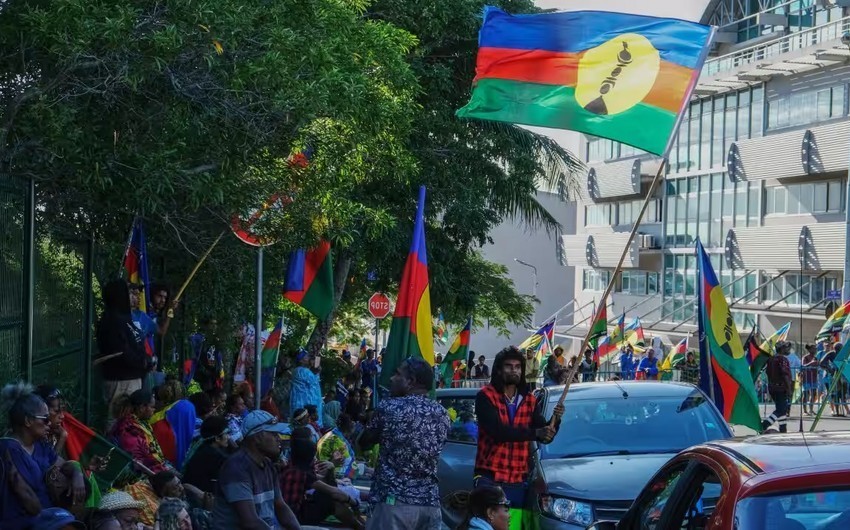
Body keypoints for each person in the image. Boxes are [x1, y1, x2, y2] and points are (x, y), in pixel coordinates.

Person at [474, 347, 563, 528]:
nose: (513, 370)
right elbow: (498, 432)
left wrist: (556, 421)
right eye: (508, 366)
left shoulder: (529, 400)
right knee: (487, 526)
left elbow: (544, 437)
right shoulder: (485, 396)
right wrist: (536, 433)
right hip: (490, 476)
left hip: (517, 478)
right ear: (499, 369)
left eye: (517, 367)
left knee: (512, 526)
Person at [360, 358, 450, 529]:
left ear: (411, 381)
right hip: (429, 504)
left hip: (394, 504)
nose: (392, 378)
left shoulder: (389, 407)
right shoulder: (442, 414)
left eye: (397, 374)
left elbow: (364, 442)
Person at [0, 383, 88, 530]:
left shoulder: (41, 445)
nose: (49, 424)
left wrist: (77, 474)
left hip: (46, 519)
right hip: (23, 523)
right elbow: (31, 504)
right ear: (28, 421)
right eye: (45, 419)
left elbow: (64, 464)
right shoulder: (8, 448)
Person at [211, 410, 300, 529]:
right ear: (257, 438)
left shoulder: (267, 465)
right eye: (273, 434)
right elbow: (250, 521)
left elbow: (281, 506)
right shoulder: (236, 468)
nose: (279, 439)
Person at [280, 438, 364, 530]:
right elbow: (333, 491)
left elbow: (325, 481)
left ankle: (358, 524)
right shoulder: (301, 473)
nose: (315, 459)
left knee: (329, 497)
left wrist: (331, 468)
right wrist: (354, 504)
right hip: (293, 517)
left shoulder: (291, 467)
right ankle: (359, 527)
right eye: (314, 456)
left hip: (293, 512)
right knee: (333, 502)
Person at [96, 279, 152, 417]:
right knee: (118, 421)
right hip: (121, 381)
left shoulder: (124, 317)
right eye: (129, 291)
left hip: (133, 378)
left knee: (131, 422)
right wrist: (143, 362)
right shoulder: (111, 320)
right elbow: (121, 352)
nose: (133, 295)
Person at [109, 390, 174, 474]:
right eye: (152, 407)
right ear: (142, 408)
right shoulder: (129, 429)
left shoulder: (140, 423)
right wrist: (165, 471)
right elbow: (142, 463)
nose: (154, 410)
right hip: (134, 478)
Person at [183, 416, 232, 493]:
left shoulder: (202, 448)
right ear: (217, 438)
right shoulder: (217, 457)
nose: (229, 437)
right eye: (227, 433)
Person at [763, 341, 794, 433]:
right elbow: (785, 375)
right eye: (786, 347)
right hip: (781, 388)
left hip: (772, 387)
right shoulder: (782, 360)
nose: (788, 349)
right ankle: (765, 424)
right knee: (781, 410)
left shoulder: (771, 359)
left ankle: (783, 429)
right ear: (781, 349)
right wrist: (789, 388)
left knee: (782, 410)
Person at [289, 349, 323, 429]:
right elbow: (315, 377)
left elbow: (316, 373)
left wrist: (317, 359)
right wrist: (317, 360)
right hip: (304, 403)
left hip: (301, 401)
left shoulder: (299, 370)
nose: (308, 358)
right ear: (301, 361)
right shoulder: (302, 371)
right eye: (306, 357)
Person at [317, 414, 357, 480]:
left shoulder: (330, 434)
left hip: (321, 469)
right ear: (348, 430)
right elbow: (349, 463)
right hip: (326, 473)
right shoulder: (338, 441)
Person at [35, 385, 68, 455]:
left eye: (62, 411)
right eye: (56, 411)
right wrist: (62, 439)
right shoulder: (34, 437)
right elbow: (49, 465)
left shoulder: (54, 435)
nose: (62, 416)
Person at [801, 344, 819, 416]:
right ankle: (805, 410)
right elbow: (803, 366)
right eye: (813, 348)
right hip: (806, 378)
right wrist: (811, 363)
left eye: (815, 349)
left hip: (814, 378)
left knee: (813, 394)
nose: (815, 350)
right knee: (806, 394)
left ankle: (811, 409)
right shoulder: (805, 357)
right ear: (809, 350)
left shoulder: (815, 358)